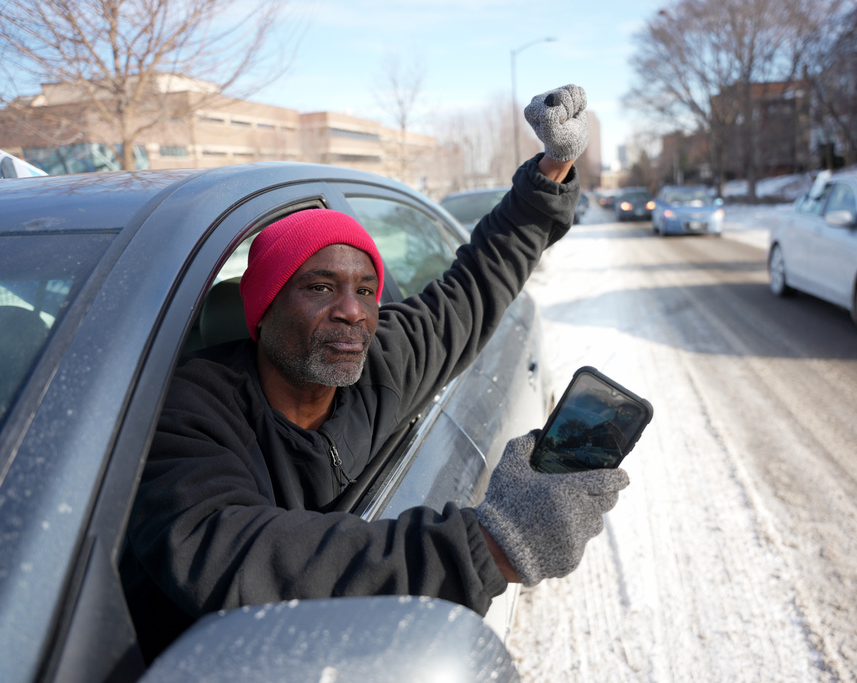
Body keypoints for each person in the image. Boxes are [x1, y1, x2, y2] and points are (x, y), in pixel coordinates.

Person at [121, 84, 630, 661]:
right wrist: (483, 546)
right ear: (262, 310)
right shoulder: (189, 409)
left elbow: (477, 281)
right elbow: (228, 550)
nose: (353, 310)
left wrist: (553, 168)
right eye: (319, 287)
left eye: (367, 289)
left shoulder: (379, 359)